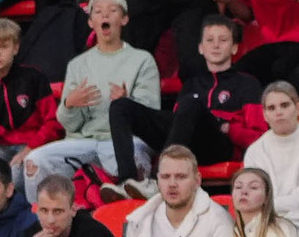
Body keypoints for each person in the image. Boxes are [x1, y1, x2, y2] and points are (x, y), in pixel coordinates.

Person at [20, 0, 157, 187]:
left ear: (125, 19)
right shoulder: (77, 64)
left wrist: (129, 105)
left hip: (125, 140)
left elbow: (151, 118)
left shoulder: (143, 60)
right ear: (91, 22)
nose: (105, 15)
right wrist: (69, 104)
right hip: (83, 141)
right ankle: (42, 216)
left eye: (112, 11)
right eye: (98, 12)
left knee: (134, 155)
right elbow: (70, 126)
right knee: (36, 160)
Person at [108, 13, 261, 191]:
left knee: (192, 104)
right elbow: (177, 128)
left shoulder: (248, 83)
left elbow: (259, 137)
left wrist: (230, 128)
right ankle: (126, 180)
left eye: (223, 40)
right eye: (210, 40)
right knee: (121, 106)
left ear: (234, 48)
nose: (216, 45)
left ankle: (160, 179)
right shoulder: (191, 84)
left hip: (219, 146)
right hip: (187, 145)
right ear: (200, 48)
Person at [238, 81, 299, 237]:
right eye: (271, 108)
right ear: (264, 115)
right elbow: (256, 205)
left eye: (284, 105)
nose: (278, 112)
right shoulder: (255, 151)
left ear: (298, 108)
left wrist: (269, 208)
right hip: (269, 228)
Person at [0, 17, 58, 171]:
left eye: (3, 47)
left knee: (17, 174)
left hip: (34, 145)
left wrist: (30, 148)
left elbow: (53, 122)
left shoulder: (33, 77)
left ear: (16, 48)